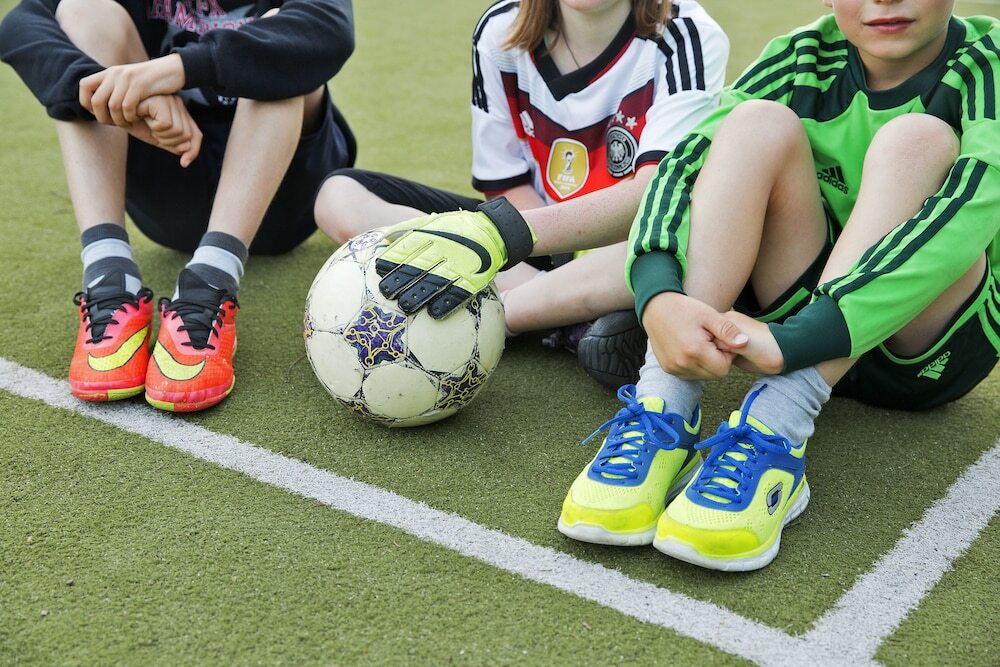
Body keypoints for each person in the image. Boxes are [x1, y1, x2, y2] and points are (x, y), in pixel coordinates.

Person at [374, 0, 1000, 571]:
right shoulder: (803, 54)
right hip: (789, 318)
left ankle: (778, 429)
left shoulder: (987, 63)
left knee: (917, 139)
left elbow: (971, 213)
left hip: (919, 348)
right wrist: (659, 296)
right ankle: (662, 408)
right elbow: (684, 167)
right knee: (753, 123)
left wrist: (806, 339)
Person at [314, 0, 728, 388]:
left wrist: (500, 245)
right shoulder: (501, 29)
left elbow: (652, 196)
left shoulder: (687, 36)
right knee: (340, 196)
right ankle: (566, 315)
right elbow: (506, 185)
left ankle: (503, 313)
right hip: (536, 239)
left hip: (627, 243)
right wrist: (528, 253)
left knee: (695, 244)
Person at [0, 0, 356, 412]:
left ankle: (212, 281)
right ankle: (109, 276)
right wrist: (108, 90)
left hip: (282, 198)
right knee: (85, 10)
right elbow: (20, 25)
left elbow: (330, 29)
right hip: (170, 175)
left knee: (281, 37)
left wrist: (172, 70)